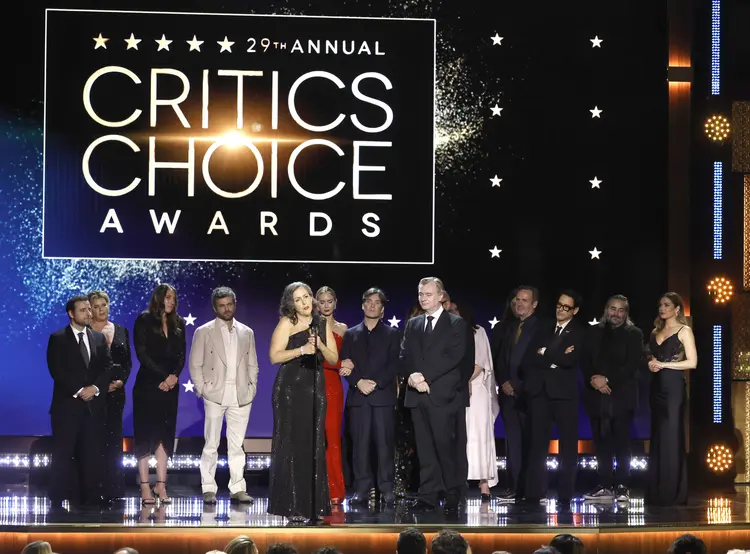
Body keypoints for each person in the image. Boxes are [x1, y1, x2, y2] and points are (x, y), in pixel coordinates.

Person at [268, 282, 339, 522]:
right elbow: (274, 356)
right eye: (298, 299)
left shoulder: (321, 323)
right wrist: (301, 350)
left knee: (314, 445)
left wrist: (319, 346)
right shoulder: (287, 322)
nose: (305, 302)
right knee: (291, 445)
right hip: (289, 390)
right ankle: (292, 506)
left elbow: (334, 357)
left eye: (307, 296)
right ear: (291, 303)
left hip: (314, 390)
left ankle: (314, 506)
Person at [400, 277, 468, 513]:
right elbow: (405, 355)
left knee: (445, 447)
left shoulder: (456, 324)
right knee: (425, 449)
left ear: (441, 296)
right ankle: (428, 494)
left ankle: (452, 493)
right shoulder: (413, 324)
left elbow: (453, 357)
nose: (423, 298)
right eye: (420, 294)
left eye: (428, 294)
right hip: (417, 395)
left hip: (441, 394)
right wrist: (412, 376)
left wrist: (424, 377)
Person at [190, 287, 259, 504]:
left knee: (236, 445)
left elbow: (252, 363)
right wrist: (202, 388)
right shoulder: (203, 331)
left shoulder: (246, 332)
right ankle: (208, 487)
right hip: (214, 393)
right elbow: (195, 363)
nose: (226, 308)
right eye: (222, 305)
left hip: (240, 394)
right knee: (211, 443)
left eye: (229, 304)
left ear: (235, 304)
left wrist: (252, 386)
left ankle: (238, 487)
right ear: (214, 307)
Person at [46, 295, 113, 508]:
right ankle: (57, 498)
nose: (89, 313)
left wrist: (94, 388)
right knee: (63, 454)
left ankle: (90, 497)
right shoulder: (58, 338)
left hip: (92, 407)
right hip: (66, 407)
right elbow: (56, 370)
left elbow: (107, 367)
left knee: (91, 454)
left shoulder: (99, 338)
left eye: (88, 309)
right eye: (83, 310)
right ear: (71, 314)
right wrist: (78, 390)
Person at [522, 291, 585, 505]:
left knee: (567, 446)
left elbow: (569, 361)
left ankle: (565, 494)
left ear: (575, 311)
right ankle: (534, 492)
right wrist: (554, 355)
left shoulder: (579, 332)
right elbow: (530, 356)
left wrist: (545, 352)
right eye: (559, 305)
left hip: (565, 395)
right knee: (537, 444)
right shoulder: (544, 327)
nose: (561, 309)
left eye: (567, 307)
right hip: (541, 393)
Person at [581, 295, 643, 503]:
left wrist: (606, 379)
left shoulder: (634, 334)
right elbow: (585, 360)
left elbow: (632, 364)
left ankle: (623, 485)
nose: (616, 314)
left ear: (626, 313)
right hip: (596, 397)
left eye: (621, 310)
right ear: (606, 310)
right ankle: (605, 485)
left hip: (622, 396)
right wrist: (594, 380)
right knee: (601, 443)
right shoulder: (593, 332)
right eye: (612, 309)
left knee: (622, 443)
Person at [340, 287, 400, 506]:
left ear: (383, 309)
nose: (372, 305)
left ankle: (387, 489)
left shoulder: (393, 334)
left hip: (383, 397)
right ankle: (362, 489)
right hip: (358, 398)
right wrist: (358, 382)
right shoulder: (351, 334)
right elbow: (344, 364)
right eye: (369, 301)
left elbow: (395, 363)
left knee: (385, 445)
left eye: (377, 302)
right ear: (363, 305)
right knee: (360, 446)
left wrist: (376, 383)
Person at [132, 284, 186, 505]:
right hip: (148, 385)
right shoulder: (143, 320)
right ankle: (145, 487)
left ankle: (161, 485)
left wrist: (173, 376)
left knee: (165, 434)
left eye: (173, 297)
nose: (171, 301)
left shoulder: (179, 323)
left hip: (170, 388)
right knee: (145, 435)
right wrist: (164, 376)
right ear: (158, 299)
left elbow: (182, 354)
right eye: (167, 297)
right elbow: (142, 353)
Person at [646, 292, 697, 506]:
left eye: (667, 305)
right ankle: (657, 491)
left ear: (677, 308)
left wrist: (665, 365)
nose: (662, 308)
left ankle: (673, 491)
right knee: (658, 436)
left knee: (672, 437)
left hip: (674, 387)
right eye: (660, 305)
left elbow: (692, 363)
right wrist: (650, 362)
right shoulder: (655, 332)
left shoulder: (684, 331)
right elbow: (648, 355)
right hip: (656, 387)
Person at [493, 286, 541, 502]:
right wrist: (504, 381)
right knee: (513, 443)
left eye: (524, 300)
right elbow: (499, 357)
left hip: (530, 395)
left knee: (532, 443)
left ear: (534, 304)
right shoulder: (507, 327)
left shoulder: (541, 328)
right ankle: (513, 487)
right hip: (507, 394)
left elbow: (538, 362)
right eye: (517, 300)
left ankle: (533, 490)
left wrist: (518, 384)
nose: (519, 303)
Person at [449, 300, 499, 502]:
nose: (450, 313)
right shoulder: (446, 332)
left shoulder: (477, 332)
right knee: (459, 436)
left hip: (475, 390)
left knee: (479, 434)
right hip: (453, 390)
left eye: (453, 310)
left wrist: (462, 380)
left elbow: (480, 363)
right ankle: (456, 482)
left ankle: (484, 484)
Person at [89, 290, 132, 500]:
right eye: (95, 307)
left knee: (114, 440)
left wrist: (121, 381)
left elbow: (127, 363)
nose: (100, 310)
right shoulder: (84, 331)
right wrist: (98, 385)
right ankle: (93, 488)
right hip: (93, 394)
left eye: (103, 305)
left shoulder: (121, 330)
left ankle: (113, 489)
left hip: (116, 394)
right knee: (93, 438)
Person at [315, 286, 347, 505]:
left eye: (329, 301)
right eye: (322, 301)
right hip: (312, 382)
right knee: (313, 438)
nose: (326, 305)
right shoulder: (310, 327)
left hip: (333, 386)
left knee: (333, 438)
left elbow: (347, 357)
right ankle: (314, 488)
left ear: (335, 302)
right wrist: (339, 363)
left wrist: (348, 364)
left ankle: (335, 489)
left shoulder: (344, 329)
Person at [394, 301, 424, 499]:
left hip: (425, 394)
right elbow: (397, 367)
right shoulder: (401, 338)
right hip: (404, 396)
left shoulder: (431, 339)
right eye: (413, 315)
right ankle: (401, 483)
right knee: (402, 443)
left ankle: (423, 485)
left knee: (423, 441)